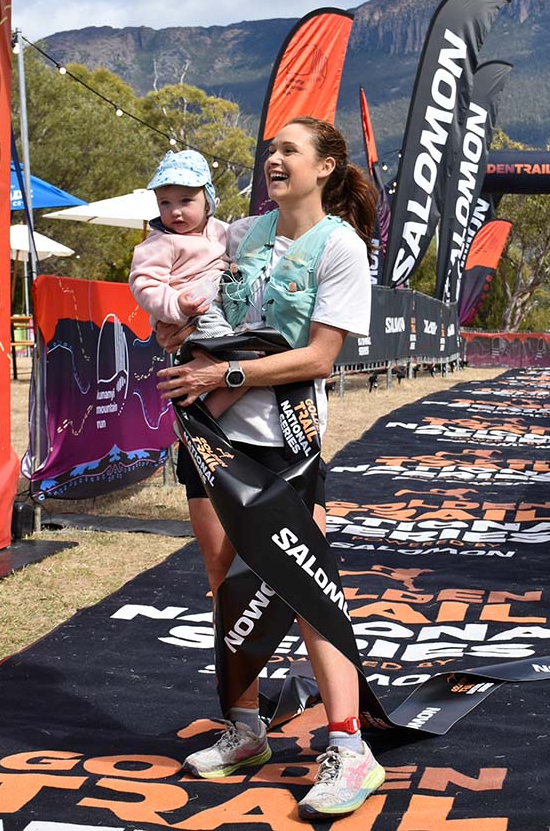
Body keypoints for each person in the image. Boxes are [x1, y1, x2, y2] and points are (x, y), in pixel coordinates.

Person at [155, 116, 384, 820]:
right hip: (207, 434)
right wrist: (177, 331)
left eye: (289, 150)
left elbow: (319, 357)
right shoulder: (241, 233)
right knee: (226, 584)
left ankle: (349, 748)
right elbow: (197, 312)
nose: (273, 159)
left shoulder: (340, 247)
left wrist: (224, 369)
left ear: (325, 168)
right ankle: (246, 729)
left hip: (283, 444)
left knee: (306, 588)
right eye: (270, 150)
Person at [129, 149, 248, 421]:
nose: (175, 211)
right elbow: (144, 283)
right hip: (195, 313)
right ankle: (201, 416)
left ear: (208, 202)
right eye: (165, 203)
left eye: (186, 200)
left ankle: (204, 410)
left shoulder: (222, 231)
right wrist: (176, 305)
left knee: (237, 352)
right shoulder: (160, 242)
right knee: (237, 354)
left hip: (225, 302)